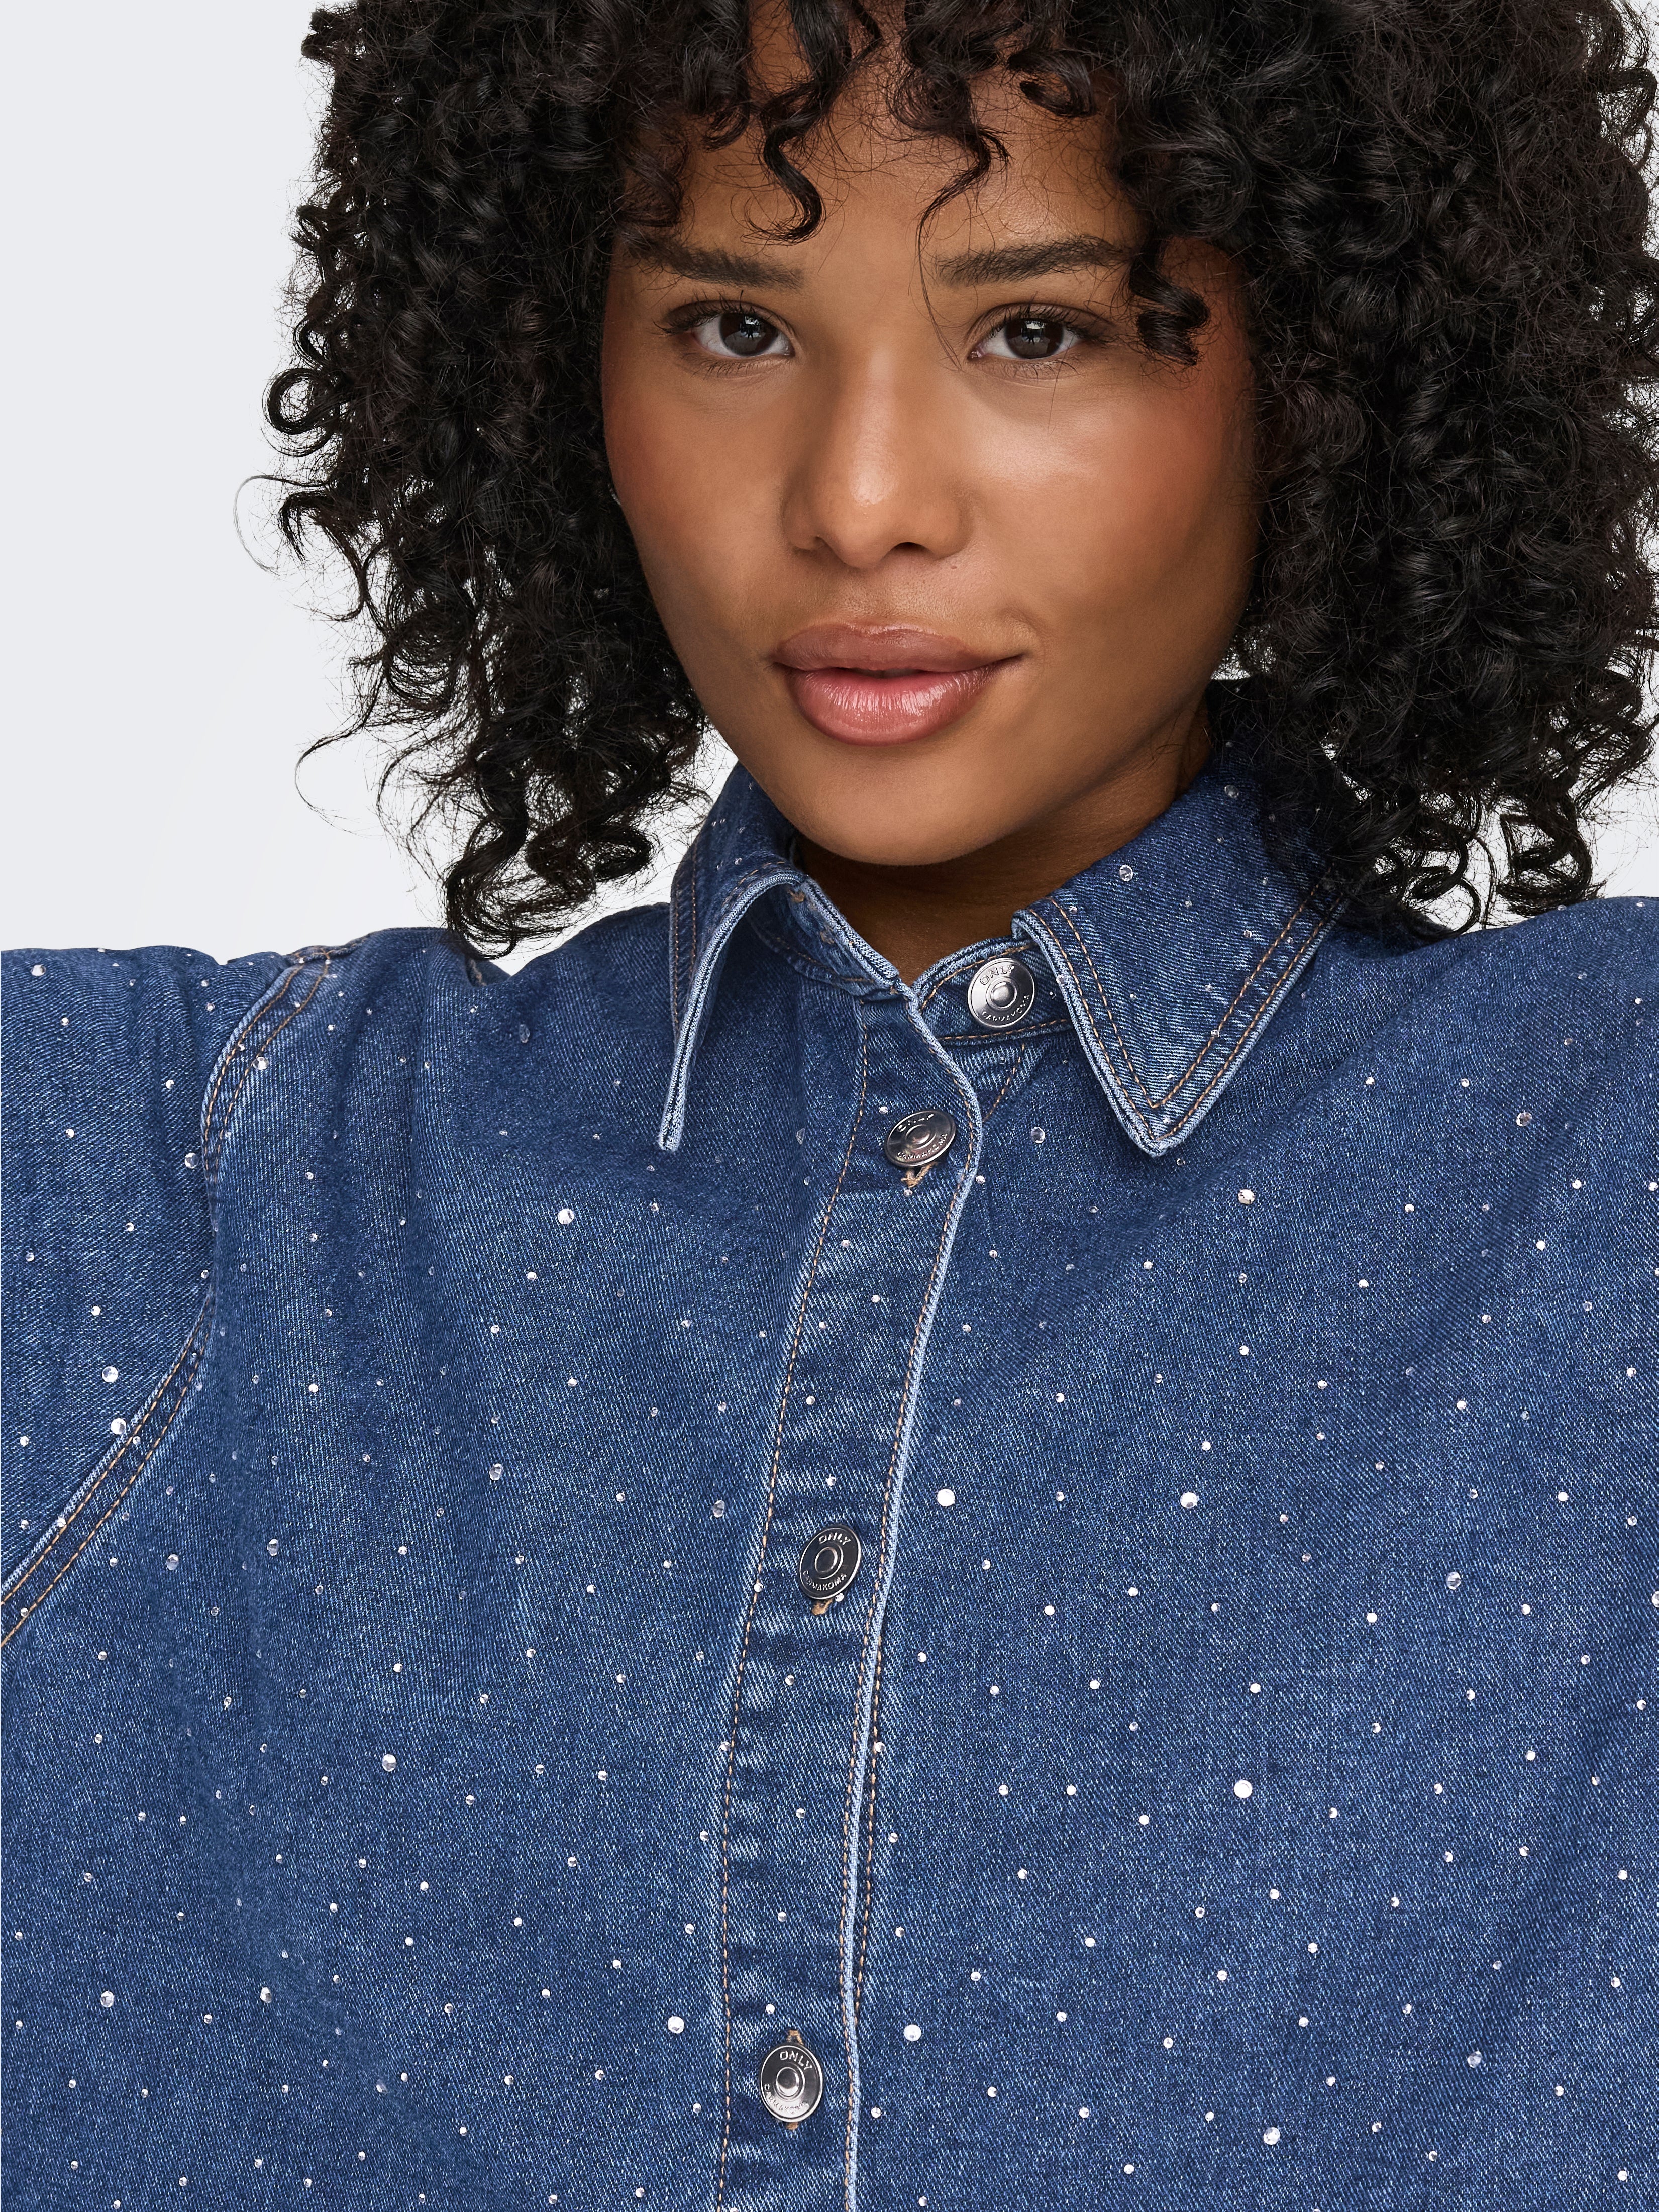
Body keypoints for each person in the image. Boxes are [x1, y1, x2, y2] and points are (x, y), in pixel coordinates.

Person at [4, 0, 1656, 2203]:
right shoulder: (181, 1186)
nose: (861, 501)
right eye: (736, 329)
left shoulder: (1601, 1162)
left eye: (1040, 332)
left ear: (1334, 373)